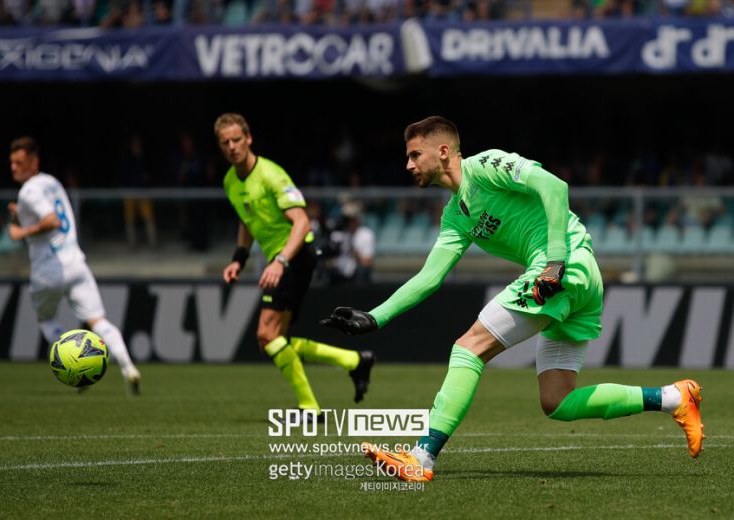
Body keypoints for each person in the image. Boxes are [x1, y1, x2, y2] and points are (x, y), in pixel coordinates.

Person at [321, 116, 704, 482]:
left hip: (562, 265)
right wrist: (377, 317)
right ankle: (672, 397)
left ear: (443, 152)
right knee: (557, 401)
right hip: (576, 277)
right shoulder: (455, 215)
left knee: (469, 348)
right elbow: (429, 277)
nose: (408, 165)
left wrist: (554, 262)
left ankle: (421, 458)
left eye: (414, 155)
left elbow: (555, 187)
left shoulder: (486, 165)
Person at [215, 113, 375, 416]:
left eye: (237, 139)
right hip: (284, 259)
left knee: (267, 335)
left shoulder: (271, 175)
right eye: (226, 142)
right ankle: (354, 362)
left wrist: (280, 261)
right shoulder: (230, 181)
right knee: (276, 340)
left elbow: (302, 223)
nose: (232, 146)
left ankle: (309, 406)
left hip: (295, 255)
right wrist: (239, 259)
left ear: (249, 138)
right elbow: (246, 221)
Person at [7, 137, 142, 394]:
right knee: (98, 321)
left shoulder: (29, 191)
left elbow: (51, 220)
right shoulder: (51, 182)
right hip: (76, 263)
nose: (14, 167)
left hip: (48, 269)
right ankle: (128, 368)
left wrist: (20, 232)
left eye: (19, 162)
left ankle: (76, 365)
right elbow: (49, 213)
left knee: (46, 320)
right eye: (12, 162)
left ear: (34, 162)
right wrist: (20, 214)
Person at [328, 201, 375, 285]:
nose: (348, 222)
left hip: (356, 273)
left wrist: (353, 250)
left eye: (351, 219)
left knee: (362, 271)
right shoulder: (340, 234)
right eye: (346, 219)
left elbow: (367, 262)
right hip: (340, 272)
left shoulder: (366, 234)